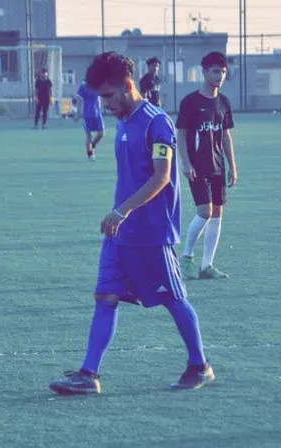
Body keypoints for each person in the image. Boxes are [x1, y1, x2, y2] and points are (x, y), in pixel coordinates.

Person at [49, 51, 215, 395]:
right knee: (105, 296)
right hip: (119, 232)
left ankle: (200, 366)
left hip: (150, 233)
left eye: (109, 96)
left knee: (174, 298)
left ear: (127, 86)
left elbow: (161, 176)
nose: (106, 105)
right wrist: (119, 214)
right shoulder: (124, 121)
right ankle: (88, 374)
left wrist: (122, 210)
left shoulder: (157, 123)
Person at [176, 51, 238, 280]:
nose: (220, 76)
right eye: (215, 71)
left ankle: (207, 266)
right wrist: (186, 163)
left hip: (218, 166)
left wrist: (232, 166)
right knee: (205, 211)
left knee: (217, 213)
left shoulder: (223, 102)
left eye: (223, 72)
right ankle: (186, 256)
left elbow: (226, 136)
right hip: (197, 166)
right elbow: (181, 135)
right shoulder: (190, 102)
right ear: (204, 72)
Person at [76, 80, 105, 161]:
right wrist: (78, 113)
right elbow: (79, 99)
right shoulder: (83, 85)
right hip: (87, 113)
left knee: (101, 134)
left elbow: (103, 95)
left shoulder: (98, 83)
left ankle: (92, 145)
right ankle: (90, 154)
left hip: (97, 113)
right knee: (89, 135)